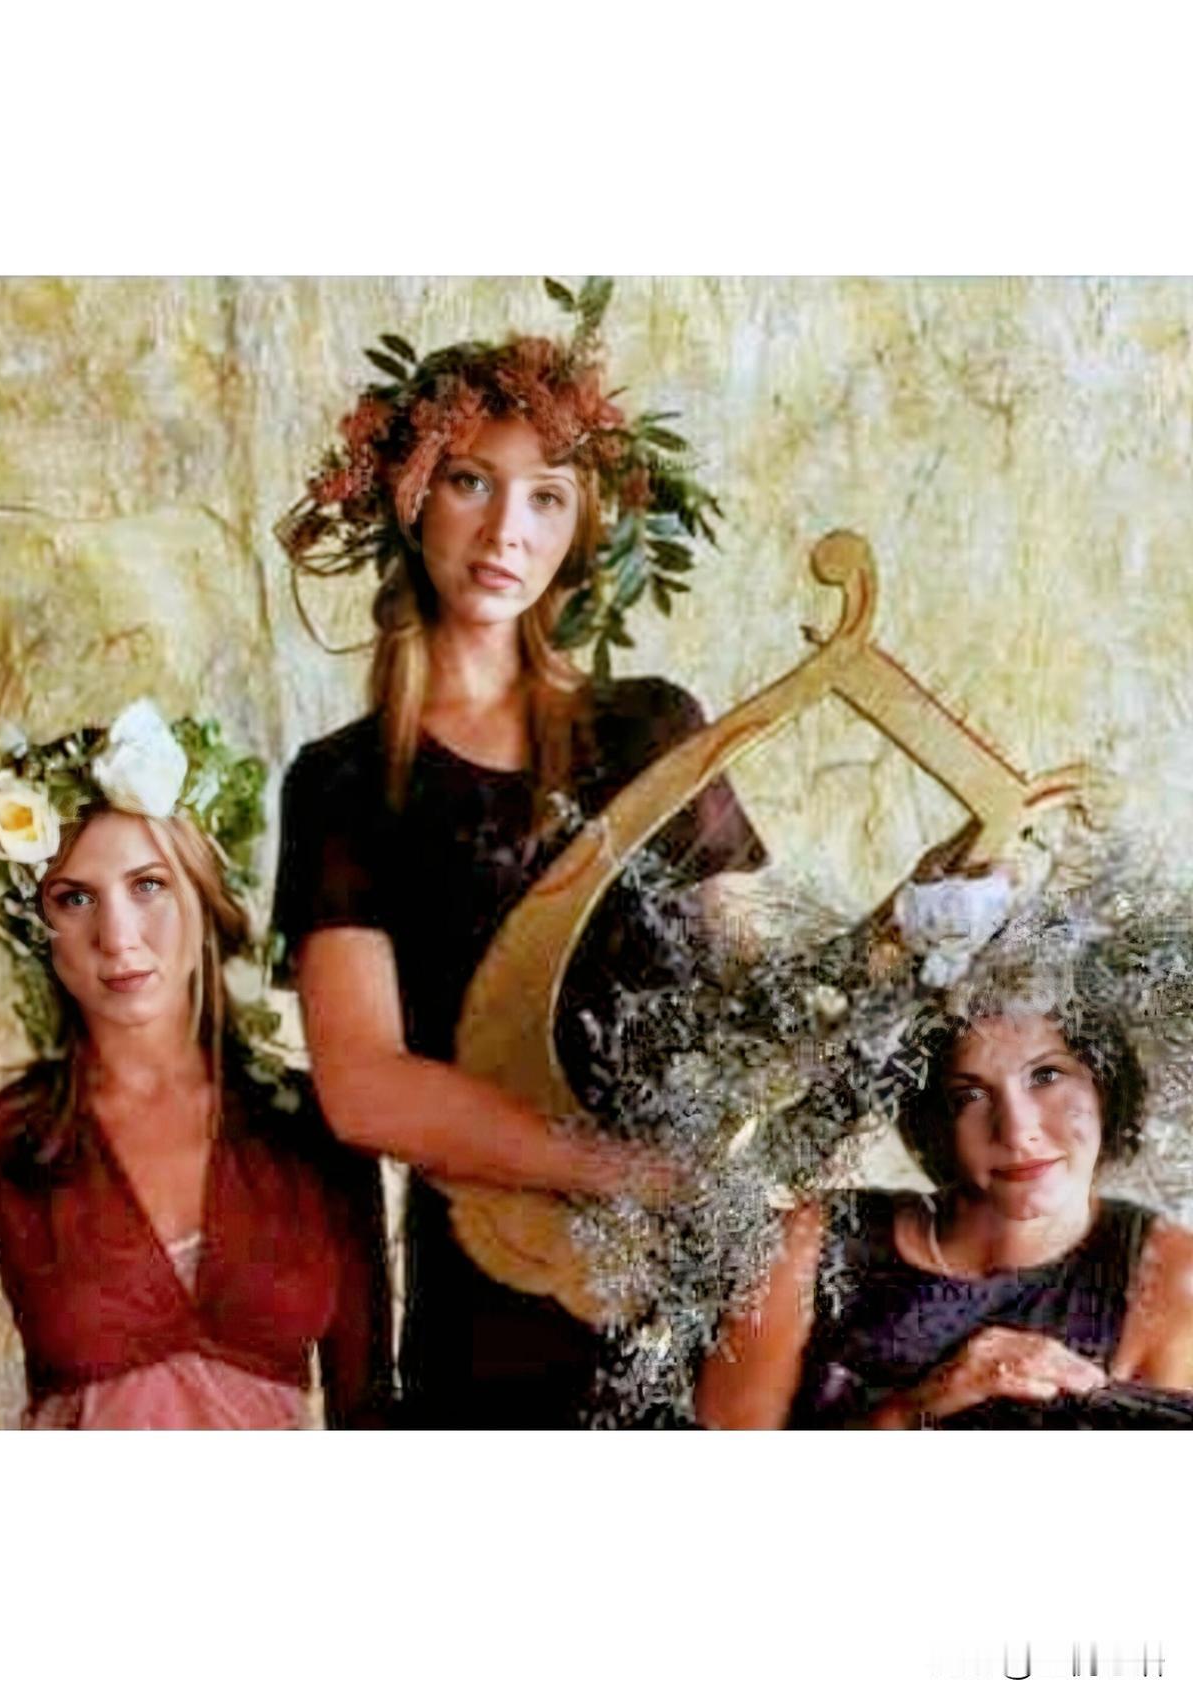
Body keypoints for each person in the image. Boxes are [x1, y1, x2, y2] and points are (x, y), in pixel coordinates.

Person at [273, 282, 766, 1427]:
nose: (507, 533)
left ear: (580, 525)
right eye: (470, 482)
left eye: (546, 496)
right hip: (487, 1291)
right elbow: (364, 1086)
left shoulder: (650, 729)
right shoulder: (343, 782)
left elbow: (759, 994)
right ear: (407, 497)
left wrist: (921, 943)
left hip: (695, 1280)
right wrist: (623, 1170)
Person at [0, 702, 389, 1429]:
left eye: (148, 885)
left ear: (202, 892)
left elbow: (373, 1425)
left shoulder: (318, 1128)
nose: (118, 936)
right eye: (74, 898)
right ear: (37, 929)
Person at [696, 980, 1193, 1429]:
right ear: (935, 1120)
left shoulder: (1170, 1277)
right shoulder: (809, 1240)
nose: (1017, 1132)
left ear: (1104, 1084)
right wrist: (913, 1412)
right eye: (970, 1095)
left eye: (1046, 1075)